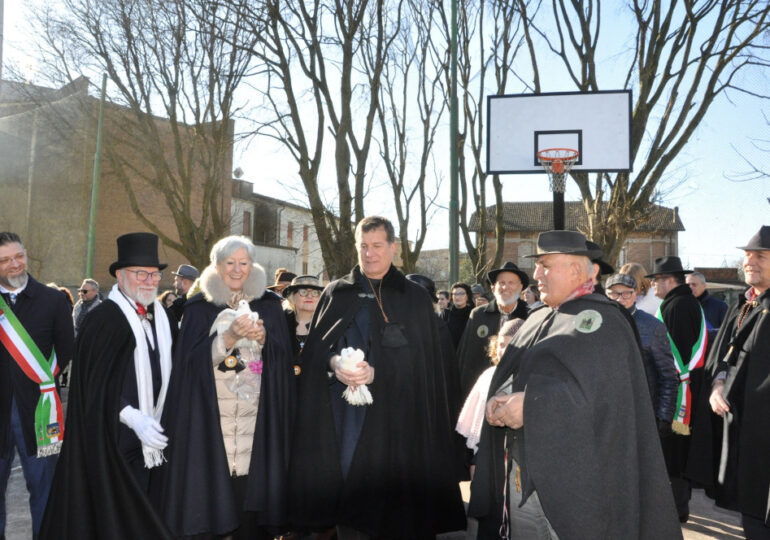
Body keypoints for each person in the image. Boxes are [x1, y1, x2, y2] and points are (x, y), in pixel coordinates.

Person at [468, 230, 681, 539]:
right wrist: (499, 399)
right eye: (537, 265)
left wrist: (531, 406)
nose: (536, 274)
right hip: (522, 480)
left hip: (576, 494)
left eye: (545, 265)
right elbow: (517, 374)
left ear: (579, 270)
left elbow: (604, 401)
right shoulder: (538, 318)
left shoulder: (605, 322)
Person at [288, 216, 466, 538]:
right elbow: (313, 352)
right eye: (363, 246)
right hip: (348, 422)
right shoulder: (336, 293)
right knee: (350, 507)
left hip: (401, 424)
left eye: (377, 246)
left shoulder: (413, 297)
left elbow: (429, 364)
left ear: (393, 248)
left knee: (400, 512)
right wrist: (333, 364)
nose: (369, 254)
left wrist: (379, 372)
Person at [158, 235, 294, 538]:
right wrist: (229, 338)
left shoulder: (271, 308)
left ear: (252, 265)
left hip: (255, 432)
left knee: (250, 521)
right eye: (229, 263)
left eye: (243, 263)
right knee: (214, 513)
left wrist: (264, 341)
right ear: (217, 266)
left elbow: (283, 366)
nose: (236, 269)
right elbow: (188, 368)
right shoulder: (196, 309)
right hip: (210, 432)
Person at [41, 232, 175, 538]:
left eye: (154, 274)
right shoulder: (105, 319)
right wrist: (131, 416)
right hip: (112, 442)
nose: (148, 281)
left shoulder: (161, 317)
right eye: (140, 273)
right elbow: (92, 384)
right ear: (120, 275)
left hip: (155, 439)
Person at [688, 226, 770, 539]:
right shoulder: (743, 305)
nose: (750, 262)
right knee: (751, 516)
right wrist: (717, 384)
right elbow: (724, 356)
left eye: (760, 256)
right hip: (741, 437)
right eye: (747, 256)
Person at [0, 232, 74, 539]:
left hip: (42, 414)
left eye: (19, 256)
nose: (15, 265)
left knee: (45, 492)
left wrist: (42, 380)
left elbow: (67, 349)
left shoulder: (53, 300)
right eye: (5, 260)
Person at [647, 255, 707, 523]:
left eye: (656, 281)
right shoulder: (681, 302)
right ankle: (677, 506)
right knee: (676, 451)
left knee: (675, 452)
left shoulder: (678, 306)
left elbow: (676, 354)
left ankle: (677, 509)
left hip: (680, 390)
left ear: (669, 280)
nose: (653, 287)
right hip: (684, 386)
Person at [605, 273, 678, 435]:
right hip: (606, 416)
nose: (620, 298)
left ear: (635, 294)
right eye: (614, 293)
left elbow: (668, 376)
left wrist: (664, 417)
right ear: (606, 295)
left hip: (642, 415)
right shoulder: (599, 324)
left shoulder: (652, 327)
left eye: (626, 292)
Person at [456, 261, 529, 397]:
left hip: (517, 393)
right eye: (501, 283)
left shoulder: (531, 316)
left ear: (521, 287)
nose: (505, 287)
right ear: (493, 287)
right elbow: (466, 357)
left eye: (511, 282)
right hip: (483, 390)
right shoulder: (478, 315)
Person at [283, 275, 324, 373]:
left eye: (315, 293)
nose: (309, 296)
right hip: (285, 383)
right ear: (293, 296)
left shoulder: (327, 325)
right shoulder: (280, 323)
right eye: (303, 292)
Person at [441, 282, 474, 349]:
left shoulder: (473, 313)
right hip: (449, 352)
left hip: (467, 352)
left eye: (462, 294)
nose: (458, 297)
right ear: (451, 297)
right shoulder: (446, 313)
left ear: (467, 296)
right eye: (455, 294)